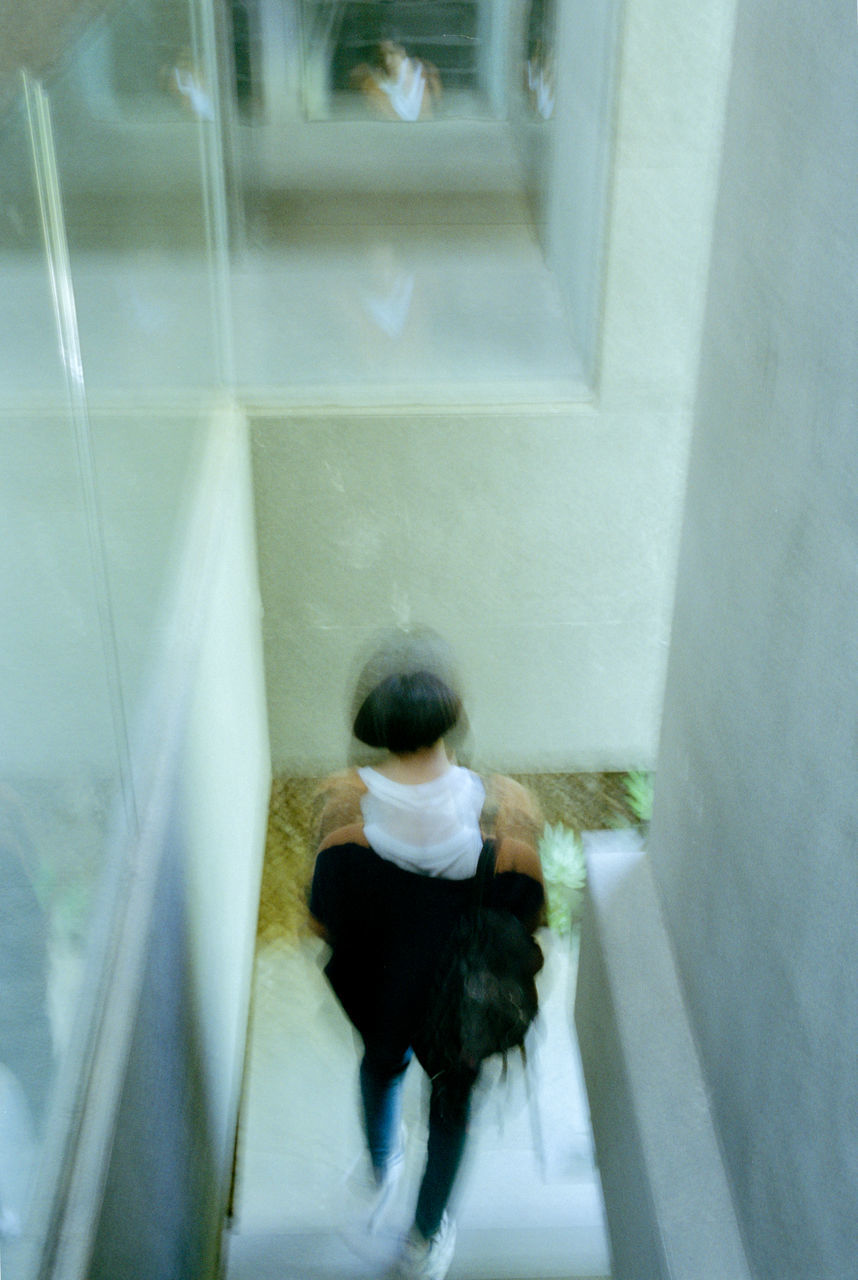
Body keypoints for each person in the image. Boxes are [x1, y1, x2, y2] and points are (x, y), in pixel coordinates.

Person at [309, 630, 544, 1280]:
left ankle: (380, 1165)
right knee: (451, 1114)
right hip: (461, 1008)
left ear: (377, 730)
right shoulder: (508, 814)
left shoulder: (340, 813)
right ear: (451, 724)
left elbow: (324, 917)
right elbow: (525, 920)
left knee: (380, 1070)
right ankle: (421, 1238)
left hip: (381, 997)